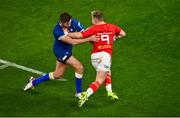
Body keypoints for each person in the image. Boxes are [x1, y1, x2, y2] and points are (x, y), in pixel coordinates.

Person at [23, 12, 97, 99]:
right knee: (80, 68)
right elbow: (73, 41)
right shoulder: (57, 31)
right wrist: (89, 39)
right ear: (62, 22)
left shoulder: (73, 22)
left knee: (58, 74)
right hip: (60, 52)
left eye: (70, 22)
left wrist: (95, 30)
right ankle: (79, 93)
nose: (70, 24)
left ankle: (33, 82)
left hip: (67, 50)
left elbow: (84, 32)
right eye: (68, 23)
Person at [68, 10, 126, 107]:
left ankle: (110, 92)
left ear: (95, 19)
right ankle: (86, 94)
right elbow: (123, 34)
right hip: (105, 56)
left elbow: (79, 35)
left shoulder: (93, 28)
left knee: (107, 71)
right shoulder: (112, 27)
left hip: (94, 57)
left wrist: (67, 34)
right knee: (99, 80)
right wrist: (114, 38)